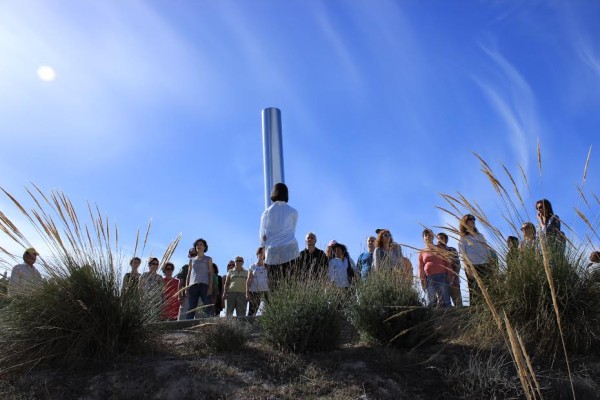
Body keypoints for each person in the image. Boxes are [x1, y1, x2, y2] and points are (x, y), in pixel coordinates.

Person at [259, 183, 300, 284]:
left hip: (272, 249)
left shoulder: (266, 213)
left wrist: (263, 245)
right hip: (290, 248)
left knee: (273, 283)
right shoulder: (293, 211)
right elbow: (293, 230)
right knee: (291, 282)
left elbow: (262, 235)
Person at [458, 214, 494, 306]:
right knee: (475, 290)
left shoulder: (480, 235)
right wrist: (467, 267)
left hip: (485, 264)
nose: (472, 221)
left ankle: (489, 306)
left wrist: (491, 261)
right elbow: (462, 255)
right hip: (473, 266)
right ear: (464, 223)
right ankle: (476, 309)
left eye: (473, 219)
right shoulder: (463, 238)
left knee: (489, 287)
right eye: (470, 219)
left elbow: (486, 249)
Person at [419, 229, 452, 307]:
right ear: (423, 238)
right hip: (429, 278)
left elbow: (447, 262)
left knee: (445, 299)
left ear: (433, 237)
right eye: (426, 235)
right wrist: (422, 280)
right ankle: (434, 317)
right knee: (431, 300)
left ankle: (449, 315)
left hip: (442, 276)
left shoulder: (440, 248)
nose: (428, 236)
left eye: (430, 235)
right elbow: (420, 267)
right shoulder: (421, 252)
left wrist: (450, 274)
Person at [186, 238, 215, 319]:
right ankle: (188, 324)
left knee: (206, 305)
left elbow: (210, 274)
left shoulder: (208, 259)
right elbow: (188, 274)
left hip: (204, 285)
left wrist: (210, 286)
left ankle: (209, 322)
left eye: (201, 244)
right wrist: (186, 287)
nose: (199, 246)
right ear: (195, 247)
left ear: (204, 247)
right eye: (197, 245)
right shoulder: (192, 260)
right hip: (193, 285)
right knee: (192, 306)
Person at [437, 232, 462, 307]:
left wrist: (455, 276)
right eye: (438, 238)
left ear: (446, 240)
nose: (439, 240)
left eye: (441, 238)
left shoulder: (452, 250)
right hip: (441, 280)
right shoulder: (435, 251)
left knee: (458, 302)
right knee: (443, 304)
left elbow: (457, 263)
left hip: (453, 278)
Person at [246, 247, 269, 316]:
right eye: (260, 253)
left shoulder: (268, 266)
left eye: (264, 253)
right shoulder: (252, 266)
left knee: (269, 310)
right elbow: (249, 279)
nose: (262, 254)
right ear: (257, 254)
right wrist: (247, 292)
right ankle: (248, 326)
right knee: (252, 311)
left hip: (266, 291)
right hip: (255, 291)